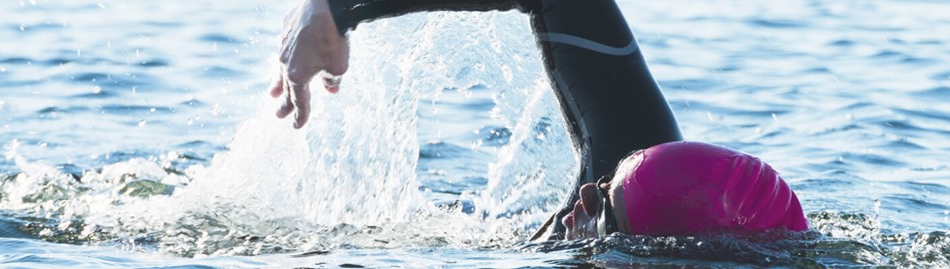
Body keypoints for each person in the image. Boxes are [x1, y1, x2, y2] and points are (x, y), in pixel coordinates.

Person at [269, 0, 808, 241]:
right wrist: (336, 8)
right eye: (604, 186)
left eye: (610, 218)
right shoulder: (637, 186)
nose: (584, 201)